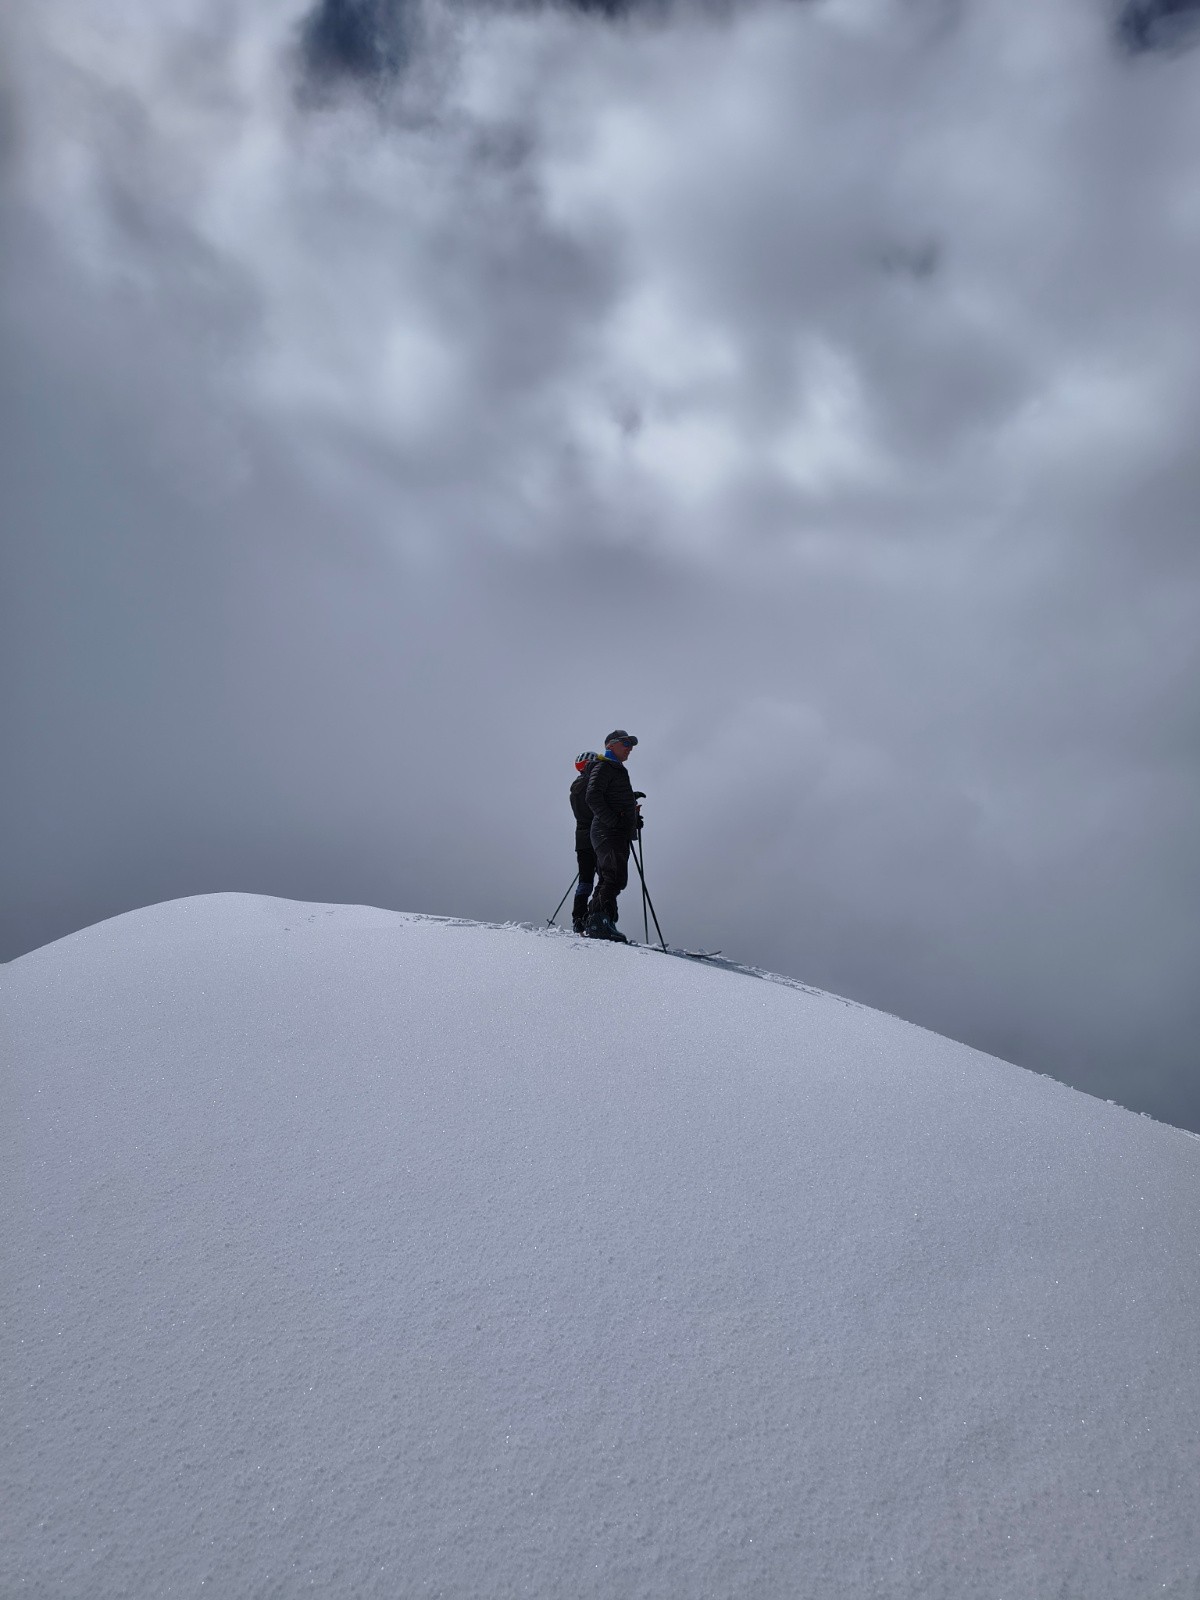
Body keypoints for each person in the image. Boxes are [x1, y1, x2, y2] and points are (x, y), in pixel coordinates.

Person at [585, 730, 641, 942]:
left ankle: (598, 920)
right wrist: (615, 822)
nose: (630, 748)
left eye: (631, 745)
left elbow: (611, 799)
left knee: (609, 876)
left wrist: (632, 818)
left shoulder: (614, 768)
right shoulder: (604, 766)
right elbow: (592, 796)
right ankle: (600, 922)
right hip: (607, 831)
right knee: (615, 877)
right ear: (611, 745)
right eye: (626, 743)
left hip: (610, 831)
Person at [568, 752, 599, 934]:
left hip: (582, 840)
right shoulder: (592, 786)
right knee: (606, 878)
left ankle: (579, 917)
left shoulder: (576, 788)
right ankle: (597, 916)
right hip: (599, 837)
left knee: (585, 879)